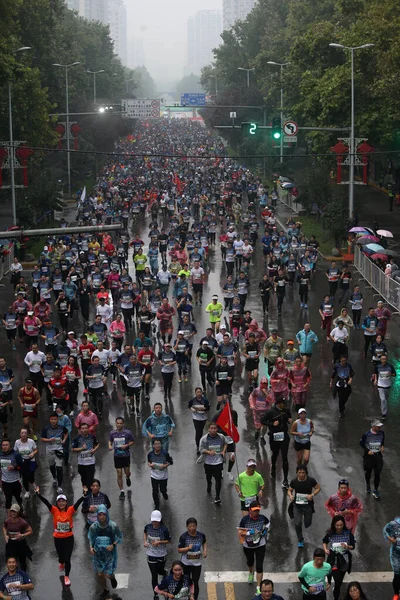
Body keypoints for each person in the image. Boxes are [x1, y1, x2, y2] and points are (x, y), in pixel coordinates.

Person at [34, 485, 86, 587]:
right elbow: (46, 503)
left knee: (67, 558)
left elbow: (78, 504)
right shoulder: (54, 510)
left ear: (66, 502)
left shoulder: (70, 510)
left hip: (69, 537)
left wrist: (84, 496)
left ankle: (67, 576)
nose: (61, 503)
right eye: (59, 501)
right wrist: (38, 494)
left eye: (63, 501)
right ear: (57, 503)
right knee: (61, 557)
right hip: (58, 538)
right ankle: (60, 562)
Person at [88, 505, 122, 599]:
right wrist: (91, 548)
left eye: (104, 514)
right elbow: (91, 537)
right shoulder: (93, 527)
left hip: (109, 553)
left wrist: (113, 545)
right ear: (97, 516)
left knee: (108, 574)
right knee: (100, 574)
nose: (102, 517)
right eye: (100, 514)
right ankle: (105, 589)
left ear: (107, 515)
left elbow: (119, 536)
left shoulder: (113, 526)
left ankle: (112, 578)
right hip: (98, 553)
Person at [238, 501, 270, 593]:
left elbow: (268, 523)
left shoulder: (262, 518)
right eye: (254, 511)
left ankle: (258, 588)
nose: (256, 513)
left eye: (257, 511)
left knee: (259, 566)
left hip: (260, 544)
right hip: (248, 545)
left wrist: (265, 530)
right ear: (250, 510)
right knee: (250, 562)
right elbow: (240, 532)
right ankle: (251, 572)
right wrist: (248, 533)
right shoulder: (245, 520)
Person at [288, 464, 321, 548]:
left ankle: (306, 522)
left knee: (308, 523)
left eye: (303, 472)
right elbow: (289, 490)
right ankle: (300, 539)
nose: (301, 474)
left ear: (306, 473)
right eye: (299, 472)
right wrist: (291, 496)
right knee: (297, 523)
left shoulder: (311, 480)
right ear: (297, 473)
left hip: (307, 505)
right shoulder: (294, 481)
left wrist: (312, 495)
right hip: (297, 505)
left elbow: (318, 488)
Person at [323, 515, 355, 600]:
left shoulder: (348, 533)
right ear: (334, 525)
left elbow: (353, 546)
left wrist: (347, 546)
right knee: (337, 581)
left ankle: (337, 587)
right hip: (333, 561)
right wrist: (326, 549)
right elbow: (324, 541)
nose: (339, 527)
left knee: (340, 580)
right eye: (337, 525)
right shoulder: (330, 533)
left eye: (341, 525)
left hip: (344, 560)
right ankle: (335, 595)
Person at [262, 398, 291, 487]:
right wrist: (271, 424)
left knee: (284, 457)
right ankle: (273, 466)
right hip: (274, 436)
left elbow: (289, 417)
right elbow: (262, 420)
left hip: (284, 436)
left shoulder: (286, 410)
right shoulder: (271, 412)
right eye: (283, 403)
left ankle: (285, 479)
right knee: (275, 453)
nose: (284, 405)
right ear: (278, 404)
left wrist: (289, 420)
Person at [143, 510, 171, 599]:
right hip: (151, 553)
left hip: (161, 554)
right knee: (154, 575)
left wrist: (160, 542)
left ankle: (164, 572)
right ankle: (156, 593)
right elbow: (145, 532)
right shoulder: (148, 527)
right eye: (153, 521)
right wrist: (145, 541)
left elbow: (168, 540)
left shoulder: (164, 529)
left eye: (157, 521)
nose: (155, 523)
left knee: (160, 571)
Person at [178, 518, 207, 600]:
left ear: (196, 526)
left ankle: (194, 597)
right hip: (186, 563)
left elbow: (204, 542)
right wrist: (187, 548)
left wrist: (205, 551)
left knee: (195, 581)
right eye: (190, 526)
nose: (192, 528)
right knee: (187, 581)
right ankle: (188, 596)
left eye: (193, 526)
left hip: (197, 563)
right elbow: (179, 550)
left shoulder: (201, 535)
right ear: (187, 527)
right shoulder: (184, 537)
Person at [40, 412, 69, 493]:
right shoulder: (46, 428)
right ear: (50, 420)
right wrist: (49, 440)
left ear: (57, 420)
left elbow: (66, 432)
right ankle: (54, 477)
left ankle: (59, 486)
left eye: (55, 419)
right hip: (49, 450)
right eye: (52, 419)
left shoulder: (61, 427)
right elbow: (42, 439)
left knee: (59, 467)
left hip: (59, 450)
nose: (53, 421)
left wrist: (64, 440)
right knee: (52, 465)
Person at [199, 422, 227, 504]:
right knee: (209, 477)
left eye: (215, 428)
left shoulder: (221, 437)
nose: (213, 430)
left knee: (218, 479)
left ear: (217, 429)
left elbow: (226, 443)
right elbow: (201, 449)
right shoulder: (204, 439)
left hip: (218, 462)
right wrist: (208, 452)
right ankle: (209, 484)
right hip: (208, 462)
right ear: (209, 429)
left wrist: (223, 451)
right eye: (211, 428)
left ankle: (217, 496)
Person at [108, 417, 134, 500]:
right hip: (117, 456)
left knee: (127, 472)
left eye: (120, 423)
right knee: (119, 474)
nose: (119, 425)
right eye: (117, 423)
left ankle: (127, 477)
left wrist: (126, 445)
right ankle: (122, 491)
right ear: (115, 424)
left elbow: (132, 441)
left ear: (123, 424)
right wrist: (109, 445)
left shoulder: (127, 433)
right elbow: (110, 440)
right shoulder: (112, 433)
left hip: (126, 456)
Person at [3, 504, 33, 571]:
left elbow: (30, 531)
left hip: (20, 544)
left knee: (22, 561)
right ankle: (13, 574)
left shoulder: (22, 522)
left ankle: (24, 575)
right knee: (11, 560)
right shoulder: (7, 521)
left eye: (15, 512)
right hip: (11, 543)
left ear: (18, 512)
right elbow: (4, 527)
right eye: (12, 511)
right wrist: (5, 535)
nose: (13, 513)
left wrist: (22, 535)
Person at [359, 419, 385, 499]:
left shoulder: (382, 433)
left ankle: (376, 490)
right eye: (378, 427)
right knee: (368, 472)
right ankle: (367, 485)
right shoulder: (366, 434)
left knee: (377, 474)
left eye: (380, 426)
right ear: (373, 427)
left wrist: (382, 447)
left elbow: (382, 442)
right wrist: (367, 451)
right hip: (369, 457)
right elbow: (361, 443)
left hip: (378, 456)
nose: (380, 428)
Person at [147, 438, 173, 510]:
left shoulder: (165, 454)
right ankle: (157, 505)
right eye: (156, 444)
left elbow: (171, 462)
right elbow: (149, 462)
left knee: (162, 489)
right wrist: (150, 465)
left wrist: (165, 466)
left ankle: (164, 493)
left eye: (159, 444)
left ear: (161, 445)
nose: (157, 445)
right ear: (153, 445)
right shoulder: (150, 454)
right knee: (155, 491)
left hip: (163, 476)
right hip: (154, 475)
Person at [72, 423, 99, 488]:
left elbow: (97, 444)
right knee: (84, 480)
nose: (84, 430)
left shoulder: (92, 437)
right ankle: (85, 492)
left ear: (88, 429)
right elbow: (73, 449)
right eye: (83, 428)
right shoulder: (77, 439)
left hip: (90, 462)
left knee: (90, 480)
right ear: (80, 430)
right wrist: (82, 448)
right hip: (81, 463)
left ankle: (89, 494)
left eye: (86, 428)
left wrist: (94, 449)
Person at [14, 428, 38, 499]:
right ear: (20, 434)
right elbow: (15, 452)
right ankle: (27, 491)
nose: (23, 434)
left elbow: (36, 449)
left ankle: (34, 484)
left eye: (25, 433)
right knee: (24, 477)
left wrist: (33, 453)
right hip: (23, 462)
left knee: (30, 476)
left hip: (31, 461)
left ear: (27, 434)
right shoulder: (17, 442)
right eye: (22, 433)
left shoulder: (31, 441)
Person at [249, 378, 274, 444]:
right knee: (258, 426)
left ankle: (262, 436)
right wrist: (252, 405)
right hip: (257, 411)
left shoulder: (269, 391)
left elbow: (272, 400)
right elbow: (251, 396)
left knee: (265, 425)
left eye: (265, 384)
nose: (264, 385)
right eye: (263, 384)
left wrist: (266, 393)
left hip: (266, 411)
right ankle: (257, 431)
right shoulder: (256, 390)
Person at [0, 439, 23, 509]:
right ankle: (9, 518)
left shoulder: (16, 455)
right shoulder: (0, 455)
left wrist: (14, 467)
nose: (4, 447)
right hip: (5, 481)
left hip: (15, 481)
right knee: (8, 499)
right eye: (3, 445)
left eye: (6, 445)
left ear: (10, 446)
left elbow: (22, 467)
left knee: (18, 497)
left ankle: (21, 511)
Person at [382, 516, 400, 600]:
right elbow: (385, 530)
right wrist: (389, 538)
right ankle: (396, 594)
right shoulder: (393, 524)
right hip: (396, 554)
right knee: (397, 575)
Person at [373, 354, 396, 419]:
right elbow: (375, 373)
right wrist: (375, 380)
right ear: (380, 360)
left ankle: (383, 407)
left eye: (385, 359)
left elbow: (394, 374)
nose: (384, 360)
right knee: (383, 399)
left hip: (388, 385)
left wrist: (390, 374)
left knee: (385, 399)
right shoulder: (378, 366)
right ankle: (384, 414)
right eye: (382, 359)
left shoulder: (390, 366)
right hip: (380, 385)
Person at [188, 388, 210, 453]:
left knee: (201, 431)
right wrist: (192, 409)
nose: (199, 393)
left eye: (200, 392)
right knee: (198, 431)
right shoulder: (192, 400)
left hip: (203, 418)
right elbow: (189, 406)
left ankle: (201, 443)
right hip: (195, 418)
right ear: (195, 393)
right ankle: (198, 446)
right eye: (197, 392)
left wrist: (202, 409)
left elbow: (208, 408)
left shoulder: (205, 400)